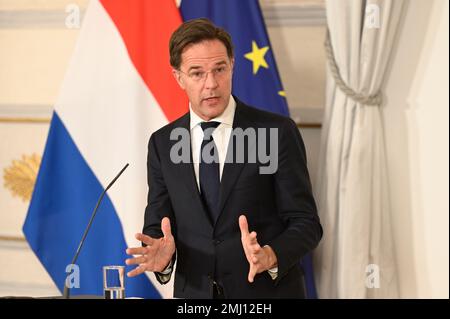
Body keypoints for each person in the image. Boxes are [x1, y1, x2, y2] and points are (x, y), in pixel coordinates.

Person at [125, 18, 322, 299]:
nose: (211, 84)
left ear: (232, 66)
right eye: (197, 73)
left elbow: (306, 223)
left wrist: (271, 255)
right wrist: (163, 258)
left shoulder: (275, 132)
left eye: (220, 69)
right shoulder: (162, 143)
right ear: (178, 77)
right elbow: (159, 224)